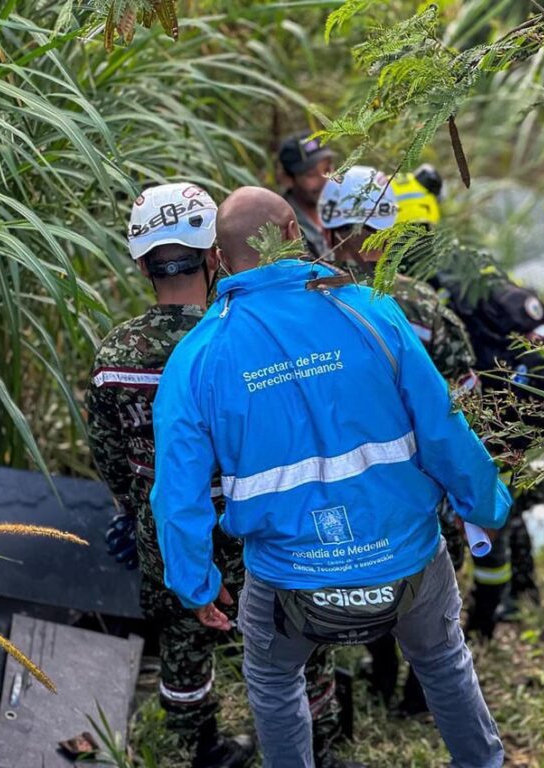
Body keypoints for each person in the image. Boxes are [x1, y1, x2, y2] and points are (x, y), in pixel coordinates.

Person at [151, 185, 511, 768]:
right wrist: (487, 507)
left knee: (272, 680)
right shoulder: (371, 311)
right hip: (408, 560)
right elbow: (444, 430)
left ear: (215, 259)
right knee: (444, 661)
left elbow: (176, 490)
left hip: (289, 579)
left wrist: (194, 581)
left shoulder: (197, 356)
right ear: (297, 233)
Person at [86, 183, 350, 768]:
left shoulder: (115, 355)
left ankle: (198, 744)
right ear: (214, 256)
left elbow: (106, 454)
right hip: (252, 522)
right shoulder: (234, 339)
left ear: (140, 262)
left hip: (168, 529)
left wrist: (133, 507)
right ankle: (318, 741)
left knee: (183, 641)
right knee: (298, 630)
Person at [317, 165, 473, 714]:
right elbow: (462, 407)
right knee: (429, 583)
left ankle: (372, 673)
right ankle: (418, 693)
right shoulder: (425, 311)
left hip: (329, 487)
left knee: (349, 578)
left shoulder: (296, 307)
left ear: (325, 223)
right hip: (417, 485)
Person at [392, 167, 544, 636]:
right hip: (495, 402)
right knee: (497, 506)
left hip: (471, 409)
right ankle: (503, 603)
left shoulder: (416, 279)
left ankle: (485, 616)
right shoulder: (465, 260)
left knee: (486, 511)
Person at [278, 130, 334, 261]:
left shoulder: (345, 209)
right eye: (311, 174)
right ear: (287, 179)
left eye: (327, 170)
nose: (325, 179)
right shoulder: (284, 231)